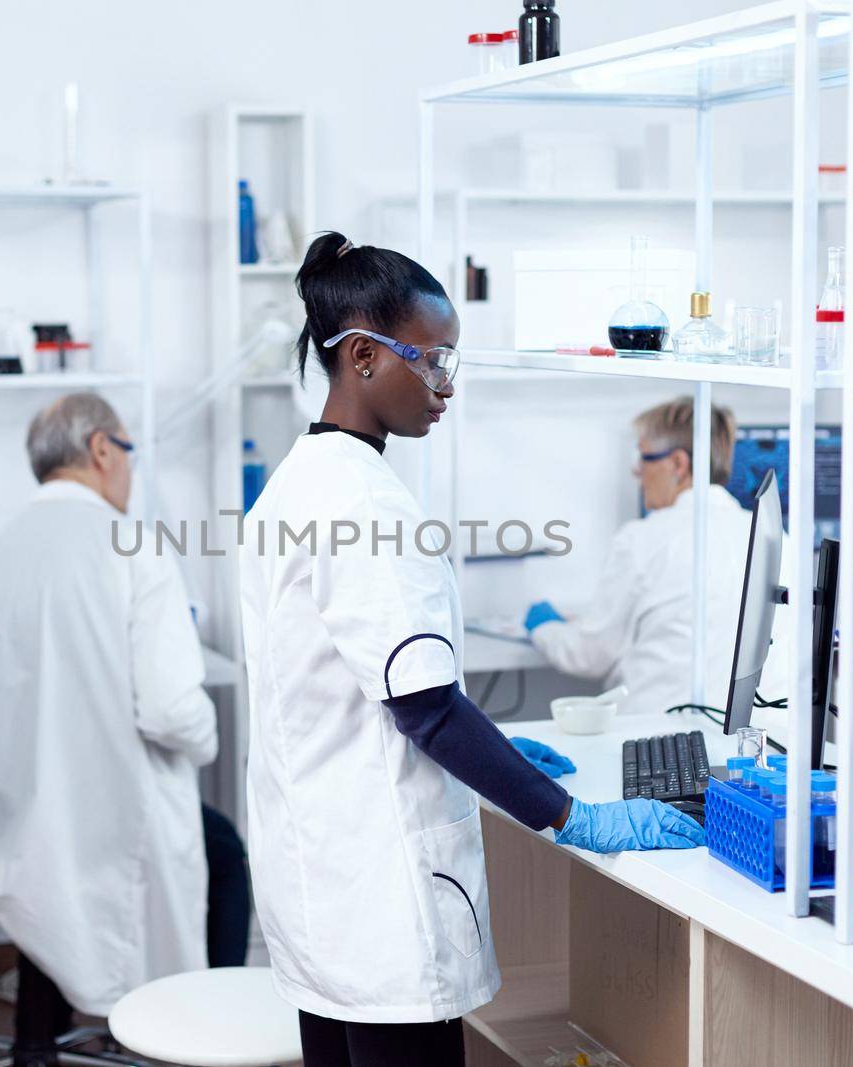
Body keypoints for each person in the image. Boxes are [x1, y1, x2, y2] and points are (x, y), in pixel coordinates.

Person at [238, 233, 704, 1067]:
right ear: (363, 357)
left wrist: (489, 750)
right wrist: (574, 817)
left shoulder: (297, 482)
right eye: (434, 361)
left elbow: (368, 685)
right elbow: (425, 708)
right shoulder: (368, 503)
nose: (445, 387)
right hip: (378, 891)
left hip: (320, 872)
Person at [0, 393, 247, 1067]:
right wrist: (207, 739)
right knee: (225, 852)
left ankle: (36, 1047)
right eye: (130, 452)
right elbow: (170, 710)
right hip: (101, 827)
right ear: (103, 450)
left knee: (51, 880)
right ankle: (214, 1040)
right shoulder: (131, 547)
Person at [523, 397, 754, 715]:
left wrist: (543, 626)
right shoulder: (771, 537)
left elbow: (589, 656)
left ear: (677, 464)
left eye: (644, 457)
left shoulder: (642, 539)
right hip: (753, 742)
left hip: (660, 732)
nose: (636, 470)